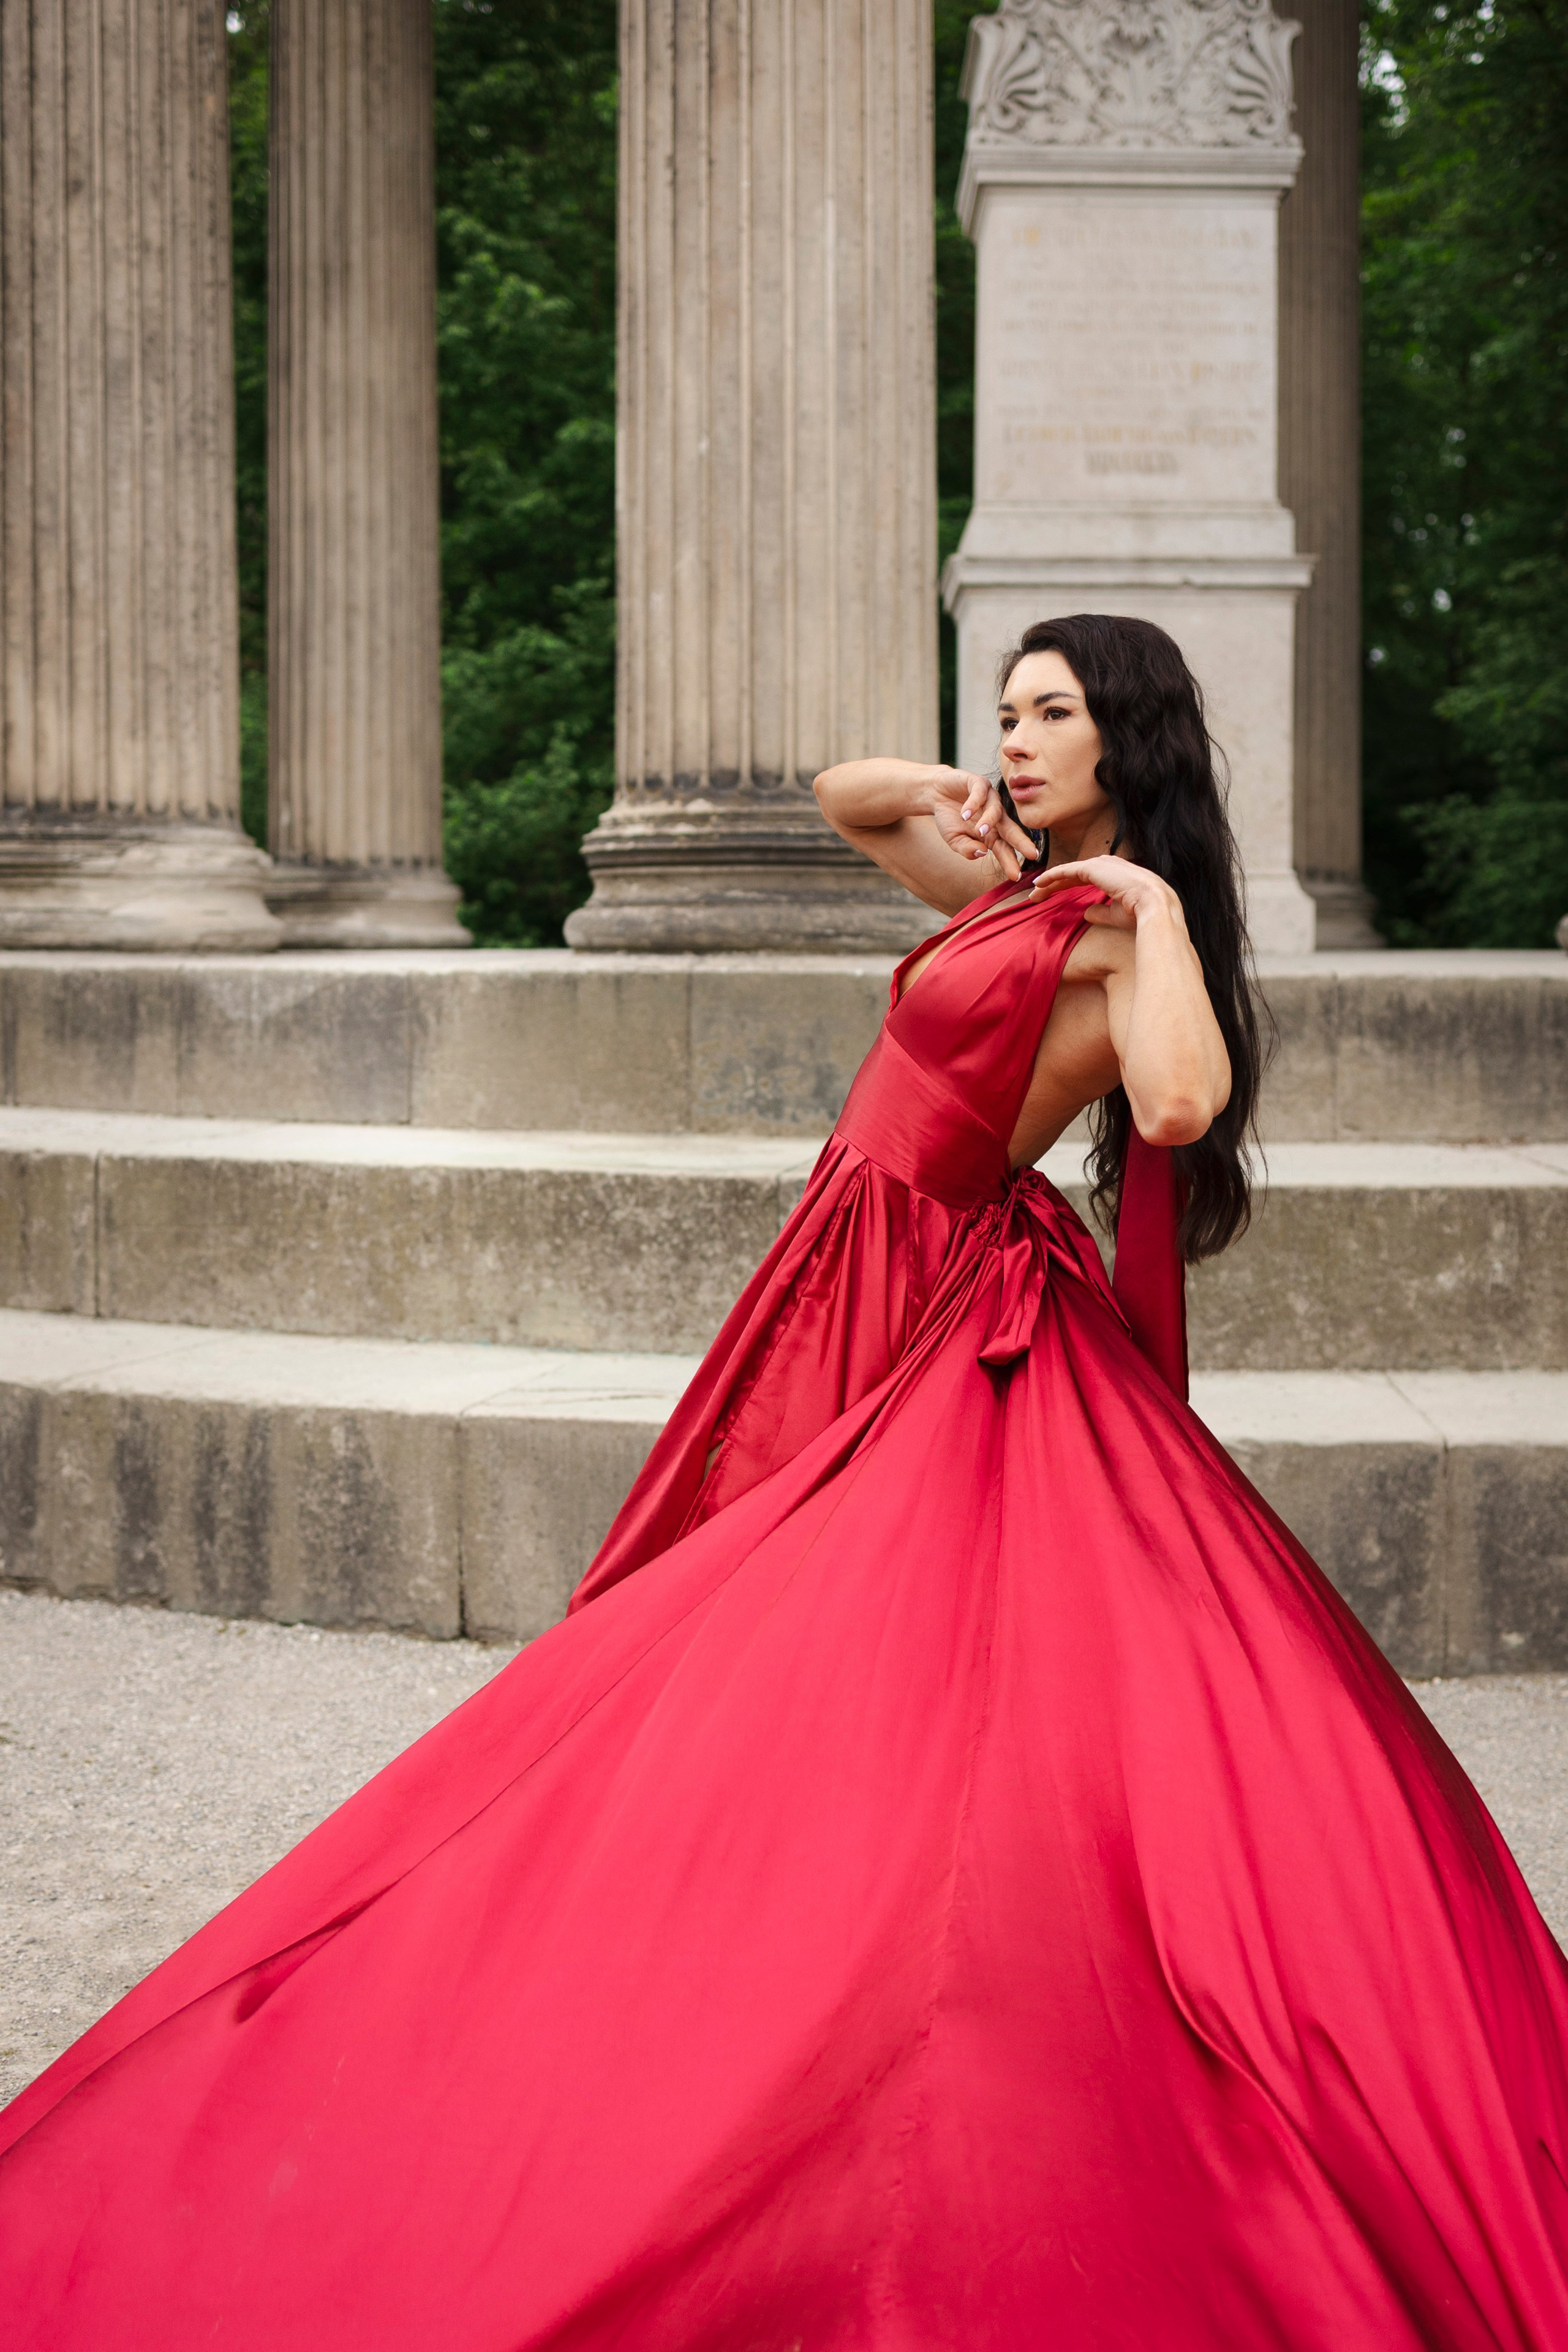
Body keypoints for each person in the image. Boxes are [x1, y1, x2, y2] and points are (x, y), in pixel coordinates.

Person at [3, 613, 1566, 2350]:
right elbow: (848, 803)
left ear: (1133, 740)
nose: (1022, 738)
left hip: (937, 1291)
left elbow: (1186, 1107)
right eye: (1009, 710)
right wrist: (967, 788)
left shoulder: (1115, 940)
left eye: (1055, 713)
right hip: (841, 1262)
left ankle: (835, 1975)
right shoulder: (1013, 897)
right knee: (727, 1603)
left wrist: (1164, 911)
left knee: (832, 1635)